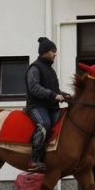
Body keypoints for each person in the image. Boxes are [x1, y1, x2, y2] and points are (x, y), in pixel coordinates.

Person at [24, 36, 68, 173]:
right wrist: (53, 95)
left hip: (51, 107)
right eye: (52, 51)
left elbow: (55, 91)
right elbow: (34, 87)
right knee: (44, 124)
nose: (55, 54)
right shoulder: (35, 68)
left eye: (55, 51)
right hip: (36, 106)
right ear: (44, 52)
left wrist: (65, 95)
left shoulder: (50, 70)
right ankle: (34, 160)